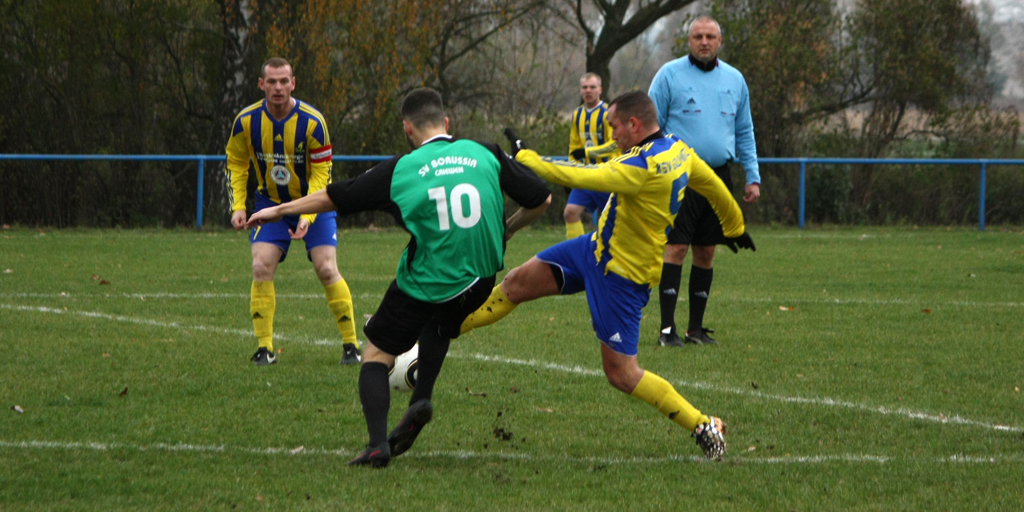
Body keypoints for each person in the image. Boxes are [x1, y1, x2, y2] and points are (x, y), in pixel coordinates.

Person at [245, 88, 552, 468]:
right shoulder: (485, 150)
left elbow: (336, 197)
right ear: (447, 123)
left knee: (374, 352)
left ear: (408, 128)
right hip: (482, 277)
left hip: (430, 279)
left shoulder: (401, 168)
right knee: (440, 326)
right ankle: (421, 398)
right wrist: (506, 230)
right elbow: (542, 199)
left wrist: (280, 210)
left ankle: (377, 445)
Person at [456, 91, 756, 460]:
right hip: (595, 249)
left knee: (622, 374)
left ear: (633, 124)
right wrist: (734, 224)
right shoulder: (676, 148)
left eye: (613, 126)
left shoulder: (642, 169)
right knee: (516, 283)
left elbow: (583, 175)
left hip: (622, 278)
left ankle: (703, 424)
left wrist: (525, 159)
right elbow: (710, 183)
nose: (610, 133)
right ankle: (436, 332)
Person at [225, 57, 362, 366]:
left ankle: (351, 346)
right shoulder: (246, 121)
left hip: (315, 204)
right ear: (261, 85)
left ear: (293, 83)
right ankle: (264, 349)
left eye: (284, 81)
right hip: (269, 205)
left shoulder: (313, 122)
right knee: (261, 266)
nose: (278, 87)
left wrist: (307, 215)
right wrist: (238, 206)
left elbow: (322, 173)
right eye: (271, 81)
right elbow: (235, 162)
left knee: (326, 268)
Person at [648, 16, 761, 347]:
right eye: (697, 36)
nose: (704, 41)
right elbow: (653, 127)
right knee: (677, 246)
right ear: (689, 41)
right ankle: (667, 329)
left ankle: (694, 329)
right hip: (680, 175)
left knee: (707, 250)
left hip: (719, 175)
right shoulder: (669, 75)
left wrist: (752, 176)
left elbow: (744, 130)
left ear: (720, 41)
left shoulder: (735, 80)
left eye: (710, 36)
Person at [564, 73, 618, 239]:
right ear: (580, 90)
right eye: (585, 87)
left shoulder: (609, 113)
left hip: (607, 176)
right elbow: (574, 146)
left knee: (611, 221)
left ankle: (611, 258)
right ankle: (575, 255)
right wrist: (572, 171)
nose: (588, 91)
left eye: (592, 87)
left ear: (600, 90)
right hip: (586, 175)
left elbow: (614, 144)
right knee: (570, 212)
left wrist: (588, 153)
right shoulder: (577, 114)